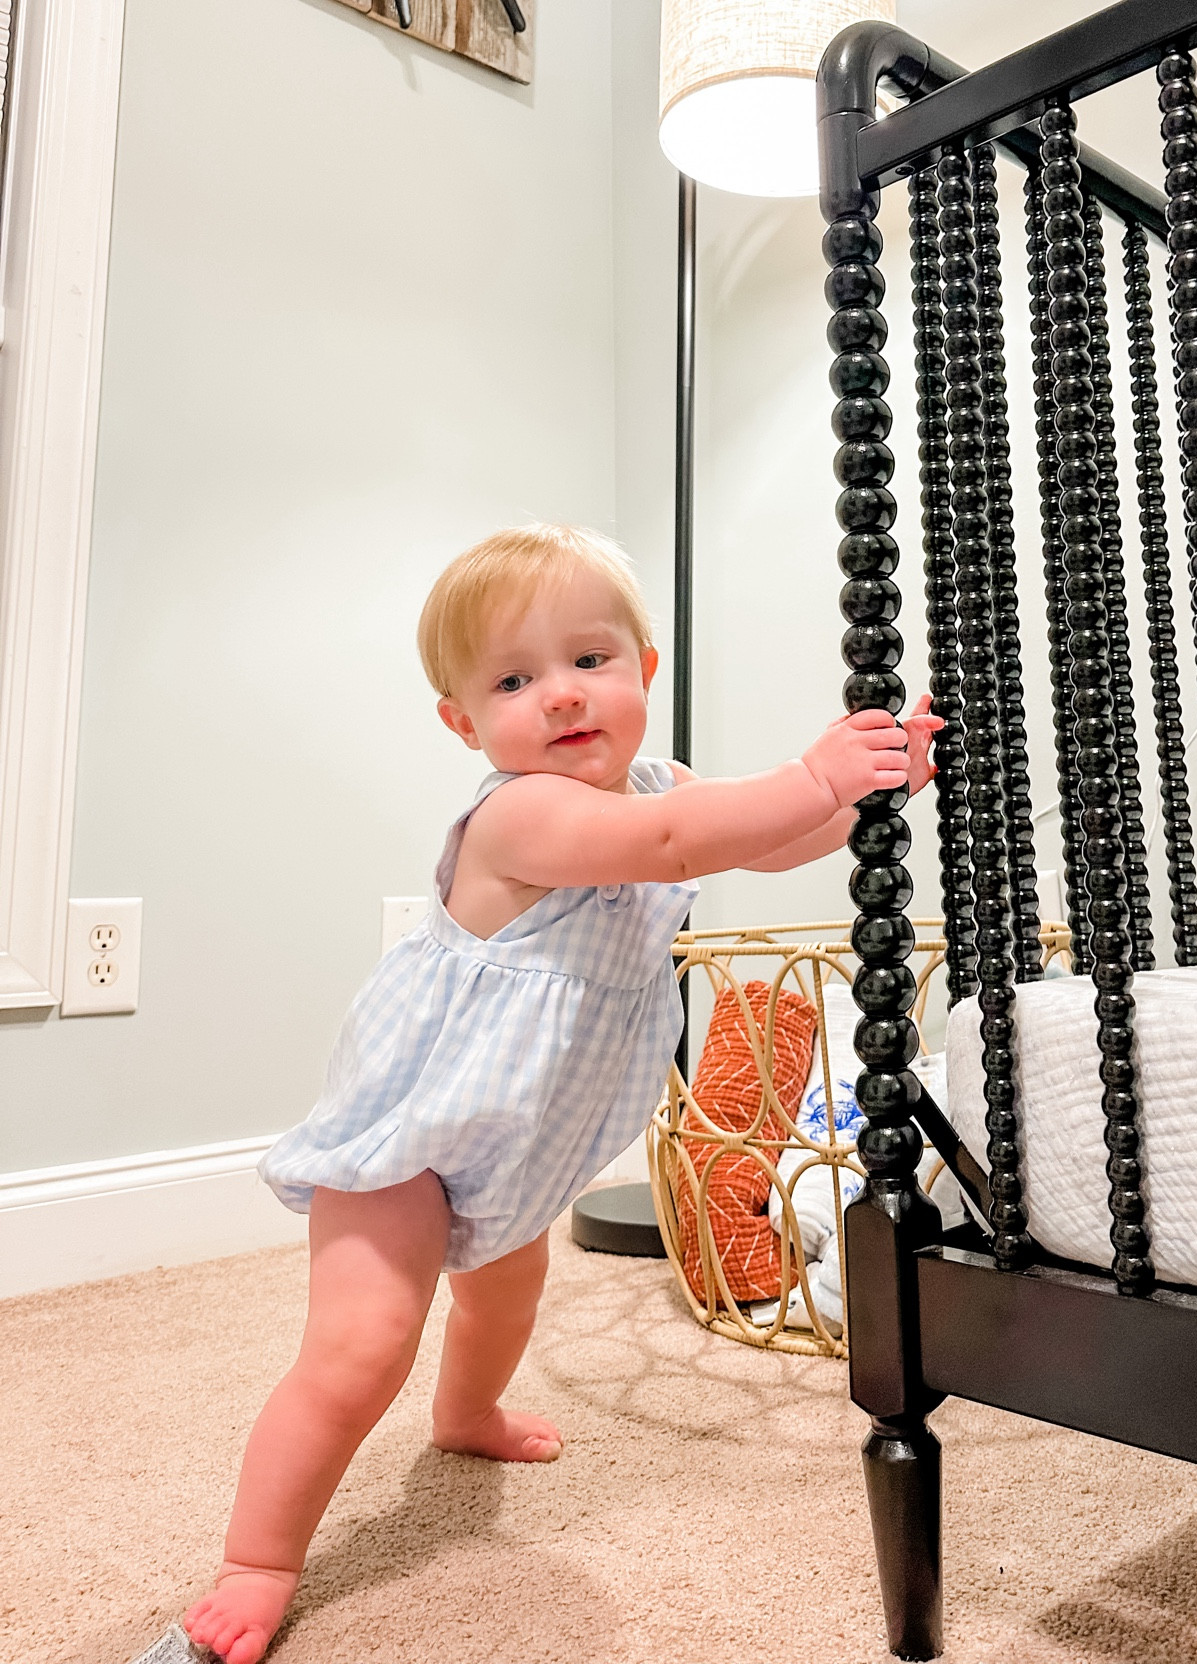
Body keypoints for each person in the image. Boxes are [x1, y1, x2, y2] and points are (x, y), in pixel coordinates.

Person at [182, 523, 940, 1664]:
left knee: (504, 1298)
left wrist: (871, 790)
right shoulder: (521, 814)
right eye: (512, 680)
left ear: (643, 666)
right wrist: (809, 774)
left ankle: (466, 1414)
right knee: (361, 1347)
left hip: (519, 1143)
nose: (562, 694)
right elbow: (673, 844)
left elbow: (770, 840)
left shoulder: (661, 783)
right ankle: (258, 1558)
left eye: (590, 659)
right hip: (412, 1139)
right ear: (464, 723)